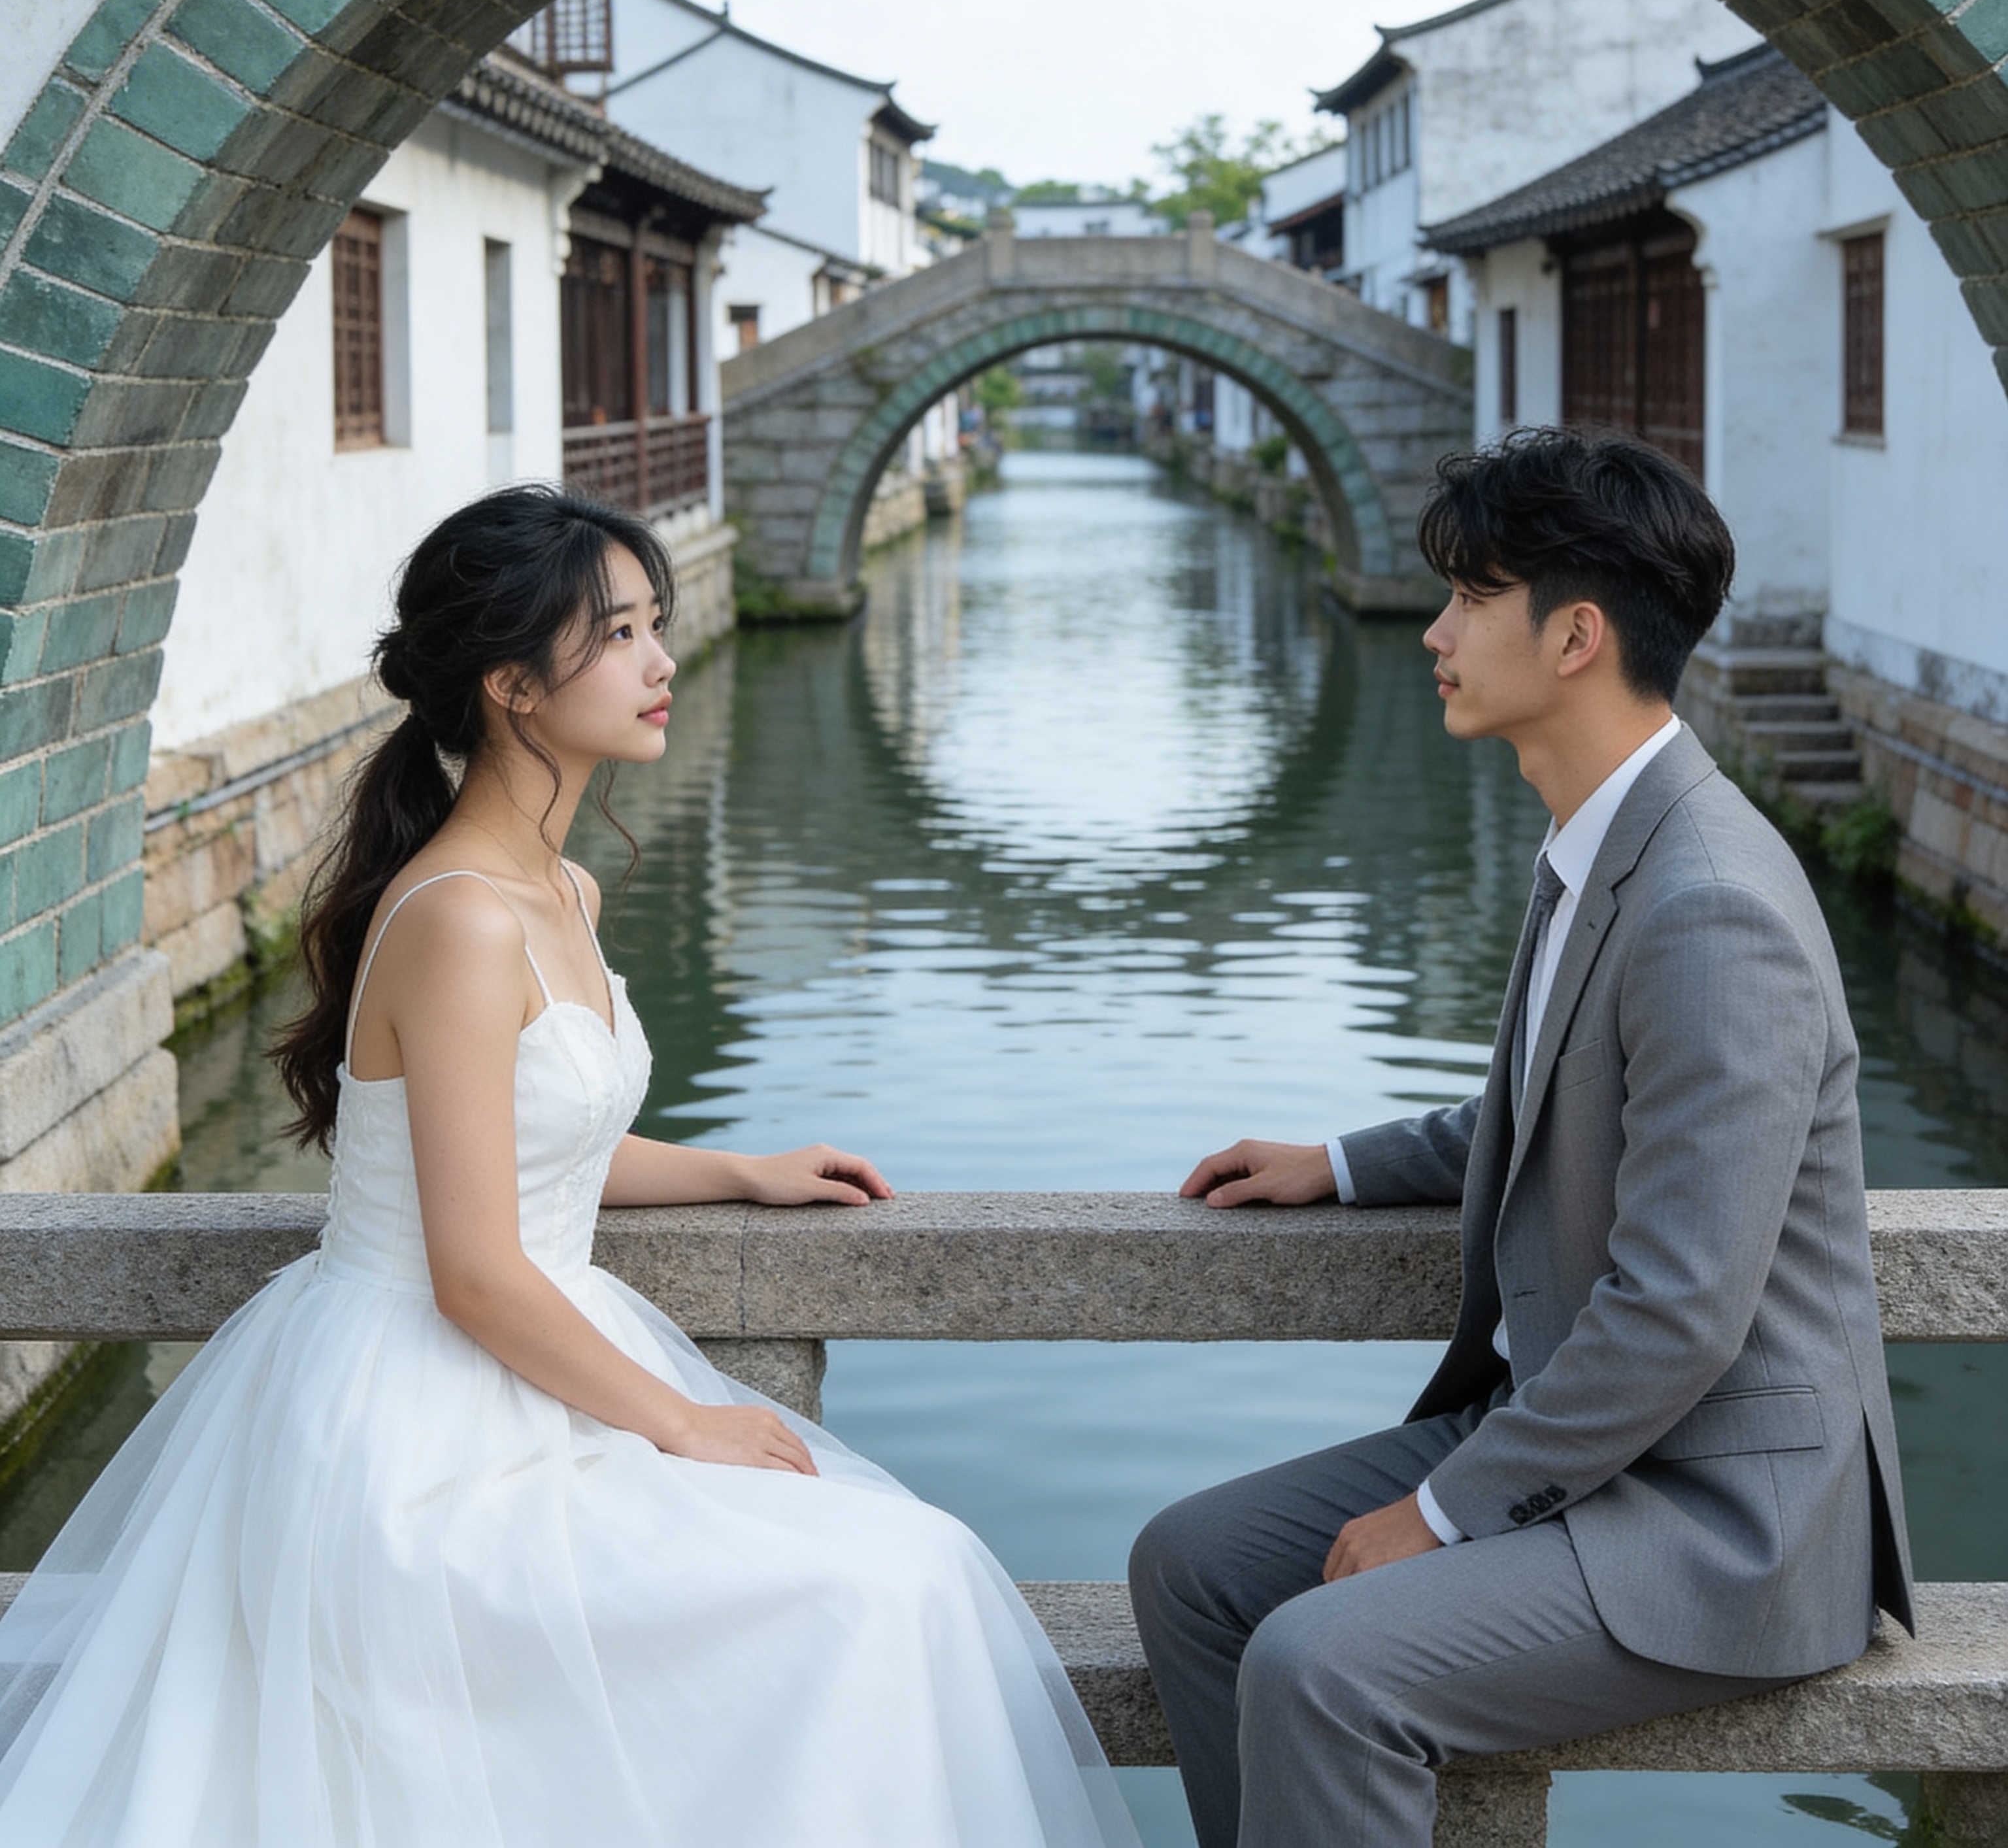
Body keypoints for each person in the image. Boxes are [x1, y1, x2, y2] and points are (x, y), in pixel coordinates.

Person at [0, 485, 1139, 1848]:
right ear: (511, 686)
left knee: (919, 1570)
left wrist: (739, 1169)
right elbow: (477, 1268)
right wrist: (689, 1418)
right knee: (878, 1586)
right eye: (621, 634)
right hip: (421, 1414)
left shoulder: (564, 887)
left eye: (656, 624)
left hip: (541, 1358)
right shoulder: (461, 916)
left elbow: (545, 1143)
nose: (662, 660)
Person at [1130, 428, 1913, 1848]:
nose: (1433, 630)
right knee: (1194, 1565)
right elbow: (1568, 1095)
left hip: (1725, 1511)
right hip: (1587, 1434)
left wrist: (1440, 1505)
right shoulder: (1602, 838)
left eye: (1468, 597)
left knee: (1325, 1659)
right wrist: (1348, 1161)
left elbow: (1678, 1308)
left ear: (1575, 635)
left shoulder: (1709, 900)